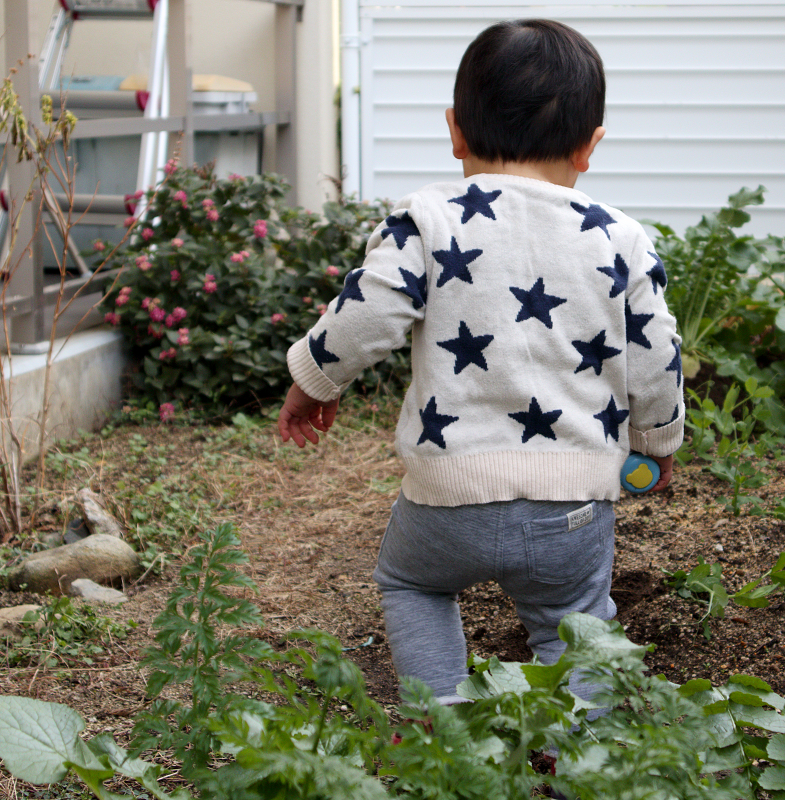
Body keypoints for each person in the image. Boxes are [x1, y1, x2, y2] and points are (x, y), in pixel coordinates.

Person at [278, 18, 683, 706]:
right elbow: (655, 353)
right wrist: (655, 441)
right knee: (576, 631)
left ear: (455, 130)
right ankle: (582, 757)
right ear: (590, 147)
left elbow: (370, 309)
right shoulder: (621, 238)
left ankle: (443, 725)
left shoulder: (427, 220)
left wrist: (315, 380)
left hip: (446, 499)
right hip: (572, 505)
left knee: (412, 584)